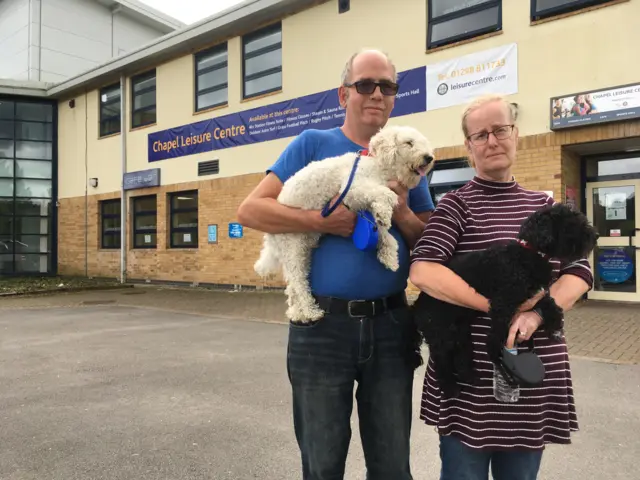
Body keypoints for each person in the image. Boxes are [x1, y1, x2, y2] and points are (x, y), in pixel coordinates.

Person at [237, 49, 435, 479]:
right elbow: (250, 211)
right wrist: (321, 221)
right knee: (323, 464)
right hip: (321, 329)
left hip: (390, 325)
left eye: (387, 86)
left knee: (392, 466)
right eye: (366, 84)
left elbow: (429, 242)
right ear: (344, 94)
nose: (377, 94)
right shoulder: (312, 144)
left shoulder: (409, 159)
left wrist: (401, 210)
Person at [408, 94, 593, 480]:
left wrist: (537, 314)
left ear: (516, 135)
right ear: (468, 147)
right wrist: (497, 308)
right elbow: (423, 271)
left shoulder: (545, 204)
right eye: (480, 135)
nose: (492, 141)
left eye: (500, 130)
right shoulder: (455, 206)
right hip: (470, 382)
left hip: (529, 377)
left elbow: (578, 272)